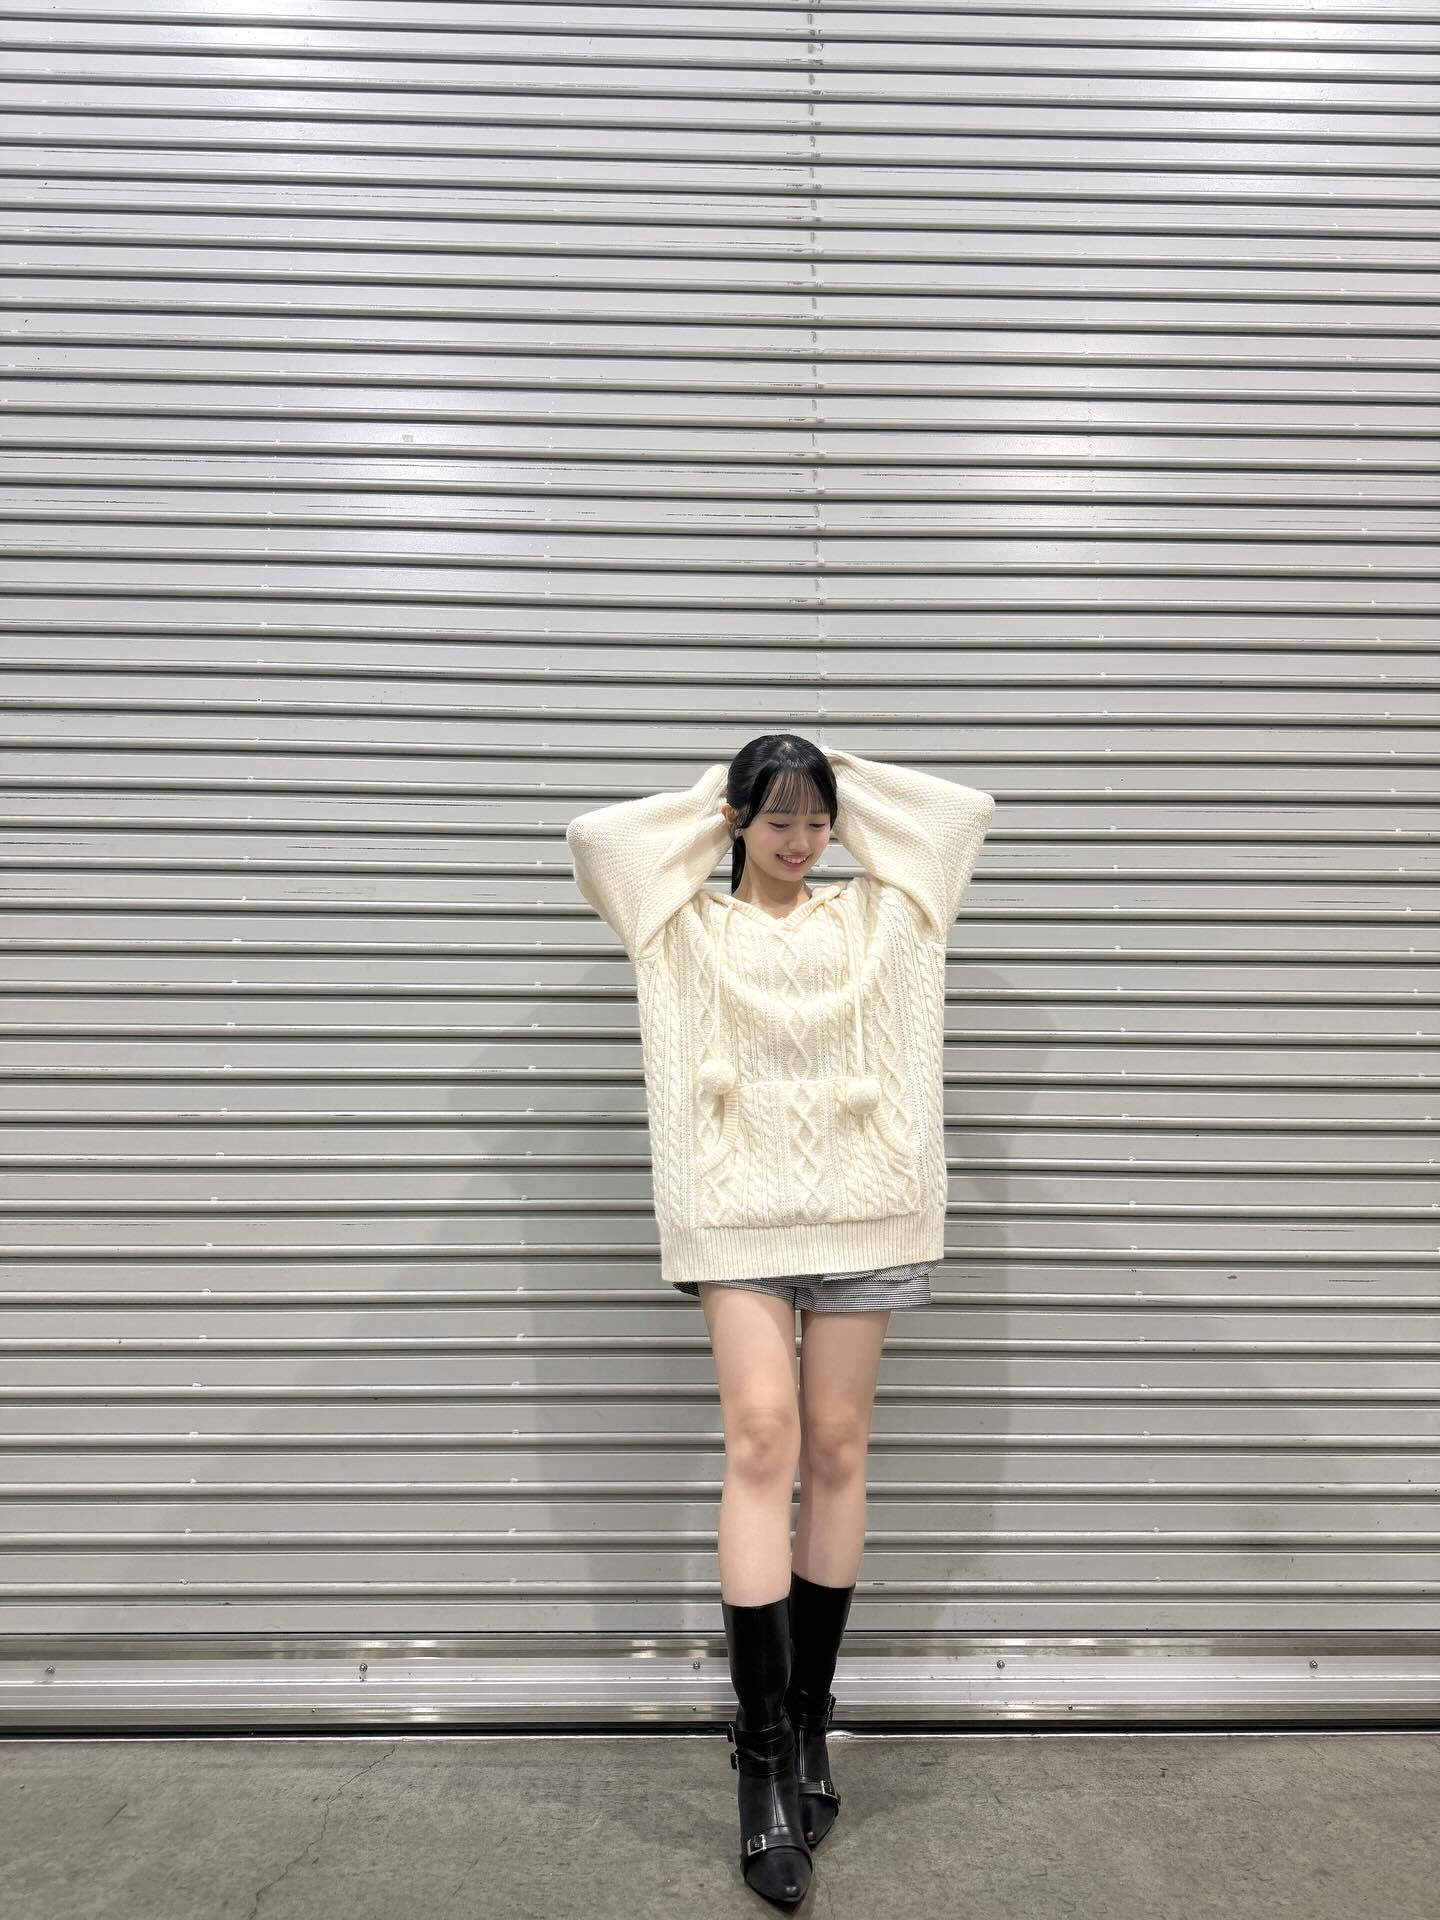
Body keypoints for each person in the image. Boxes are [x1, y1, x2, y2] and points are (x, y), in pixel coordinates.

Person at [566, 734, 996, 1906]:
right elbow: (598, 842)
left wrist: (829, 772)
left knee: (840, 1447)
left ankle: (810, 1722)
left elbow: (958, 817)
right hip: (736, 1216)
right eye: (778, 819)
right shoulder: (679, 925)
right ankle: (758, 1762)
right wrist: (722, 798)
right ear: (738, 821)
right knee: (763, 1439)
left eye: (818, 820)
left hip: (870, 1210)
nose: (801, 841)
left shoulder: (888, 916)